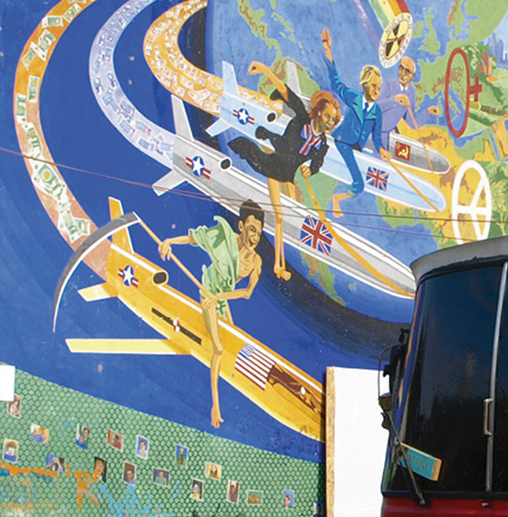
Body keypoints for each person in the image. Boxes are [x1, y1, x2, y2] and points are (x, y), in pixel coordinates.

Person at [227, 59, 340, 280]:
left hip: (289, 174)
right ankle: (279, 265)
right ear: (318, 112)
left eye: (333, 120)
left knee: (295, 214)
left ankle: (287, 257)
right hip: (274, 167)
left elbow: (317, 162)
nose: (330, 122)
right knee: (279, 218)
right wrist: (264, 69)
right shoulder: (301, 119)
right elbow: (285, 92)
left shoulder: (322, 144)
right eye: (327, 116)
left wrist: (311, 171)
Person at [159, 204, 266, 428]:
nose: (255, 237)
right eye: (251, 229)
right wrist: (169, 242)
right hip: (208, 292)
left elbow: (246, 293)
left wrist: (220, 299)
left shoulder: (256, 261)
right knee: (218, 349)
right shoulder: (222, 237)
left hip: (219, 298)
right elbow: (195, 238)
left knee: (233, 340)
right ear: (240, 226)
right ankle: (215, 405)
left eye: (259, 231)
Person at [319, 30, 387, 217]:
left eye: (379, 88)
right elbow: (336, 84)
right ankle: (337, 200)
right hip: (342, 142)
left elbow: (377, 139)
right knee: (359, 184)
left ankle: (338, 198)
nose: (376, 91)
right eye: (373, 86)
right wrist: (328, 51)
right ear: (364, 85)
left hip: (357, 149)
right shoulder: (354, 98)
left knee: (360, 185)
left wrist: (382, 151)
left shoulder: (377, 112)